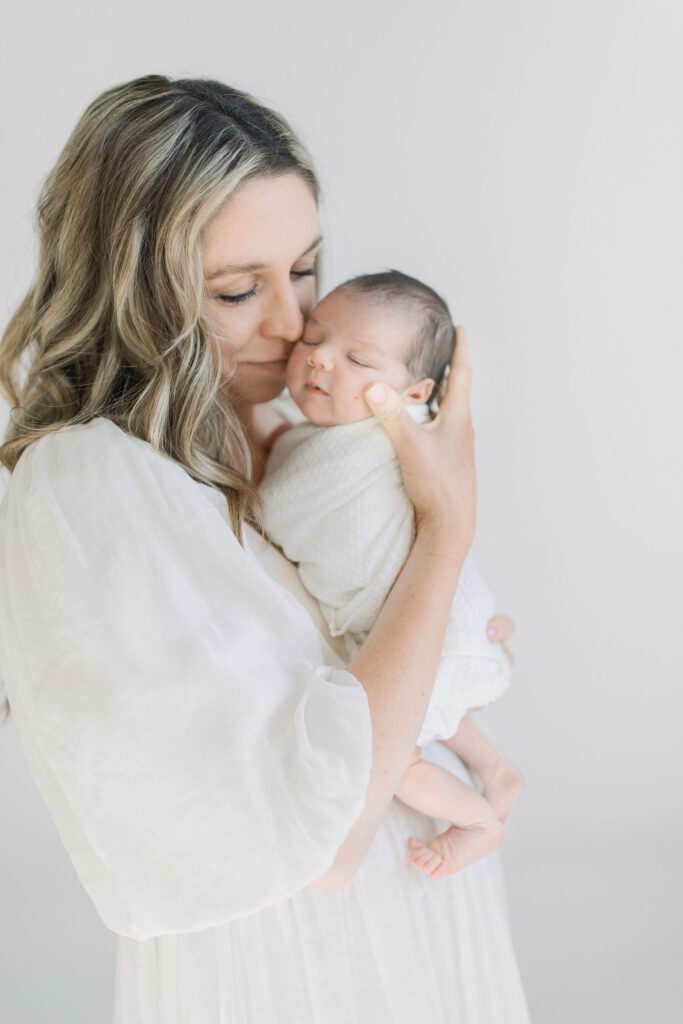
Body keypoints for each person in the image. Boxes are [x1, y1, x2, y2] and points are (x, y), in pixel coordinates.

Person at [0, 76, 530, 1022]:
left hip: (428, 914)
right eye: (239, 290)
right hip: (297, 972)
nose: (292, 328)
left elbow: (366, 663)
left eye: (305, 272)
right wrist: (446, 533)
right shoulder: (88, 483)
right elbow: (325, 841)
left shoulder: (293, 440)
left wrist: (442, 634)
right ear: (134, 293)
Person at [259, 271, 523, 879]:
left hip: (421, 626)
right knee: (446, 713)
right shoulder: (311, 441)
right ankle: (500, 772)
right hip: (420, 623)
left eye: (356, 359)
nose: (319, 358)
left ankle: (478, 822)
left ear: (413, 394)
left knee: (395, 758)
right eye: (314, 338)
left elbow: (285, 513)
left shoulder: (383, 444)